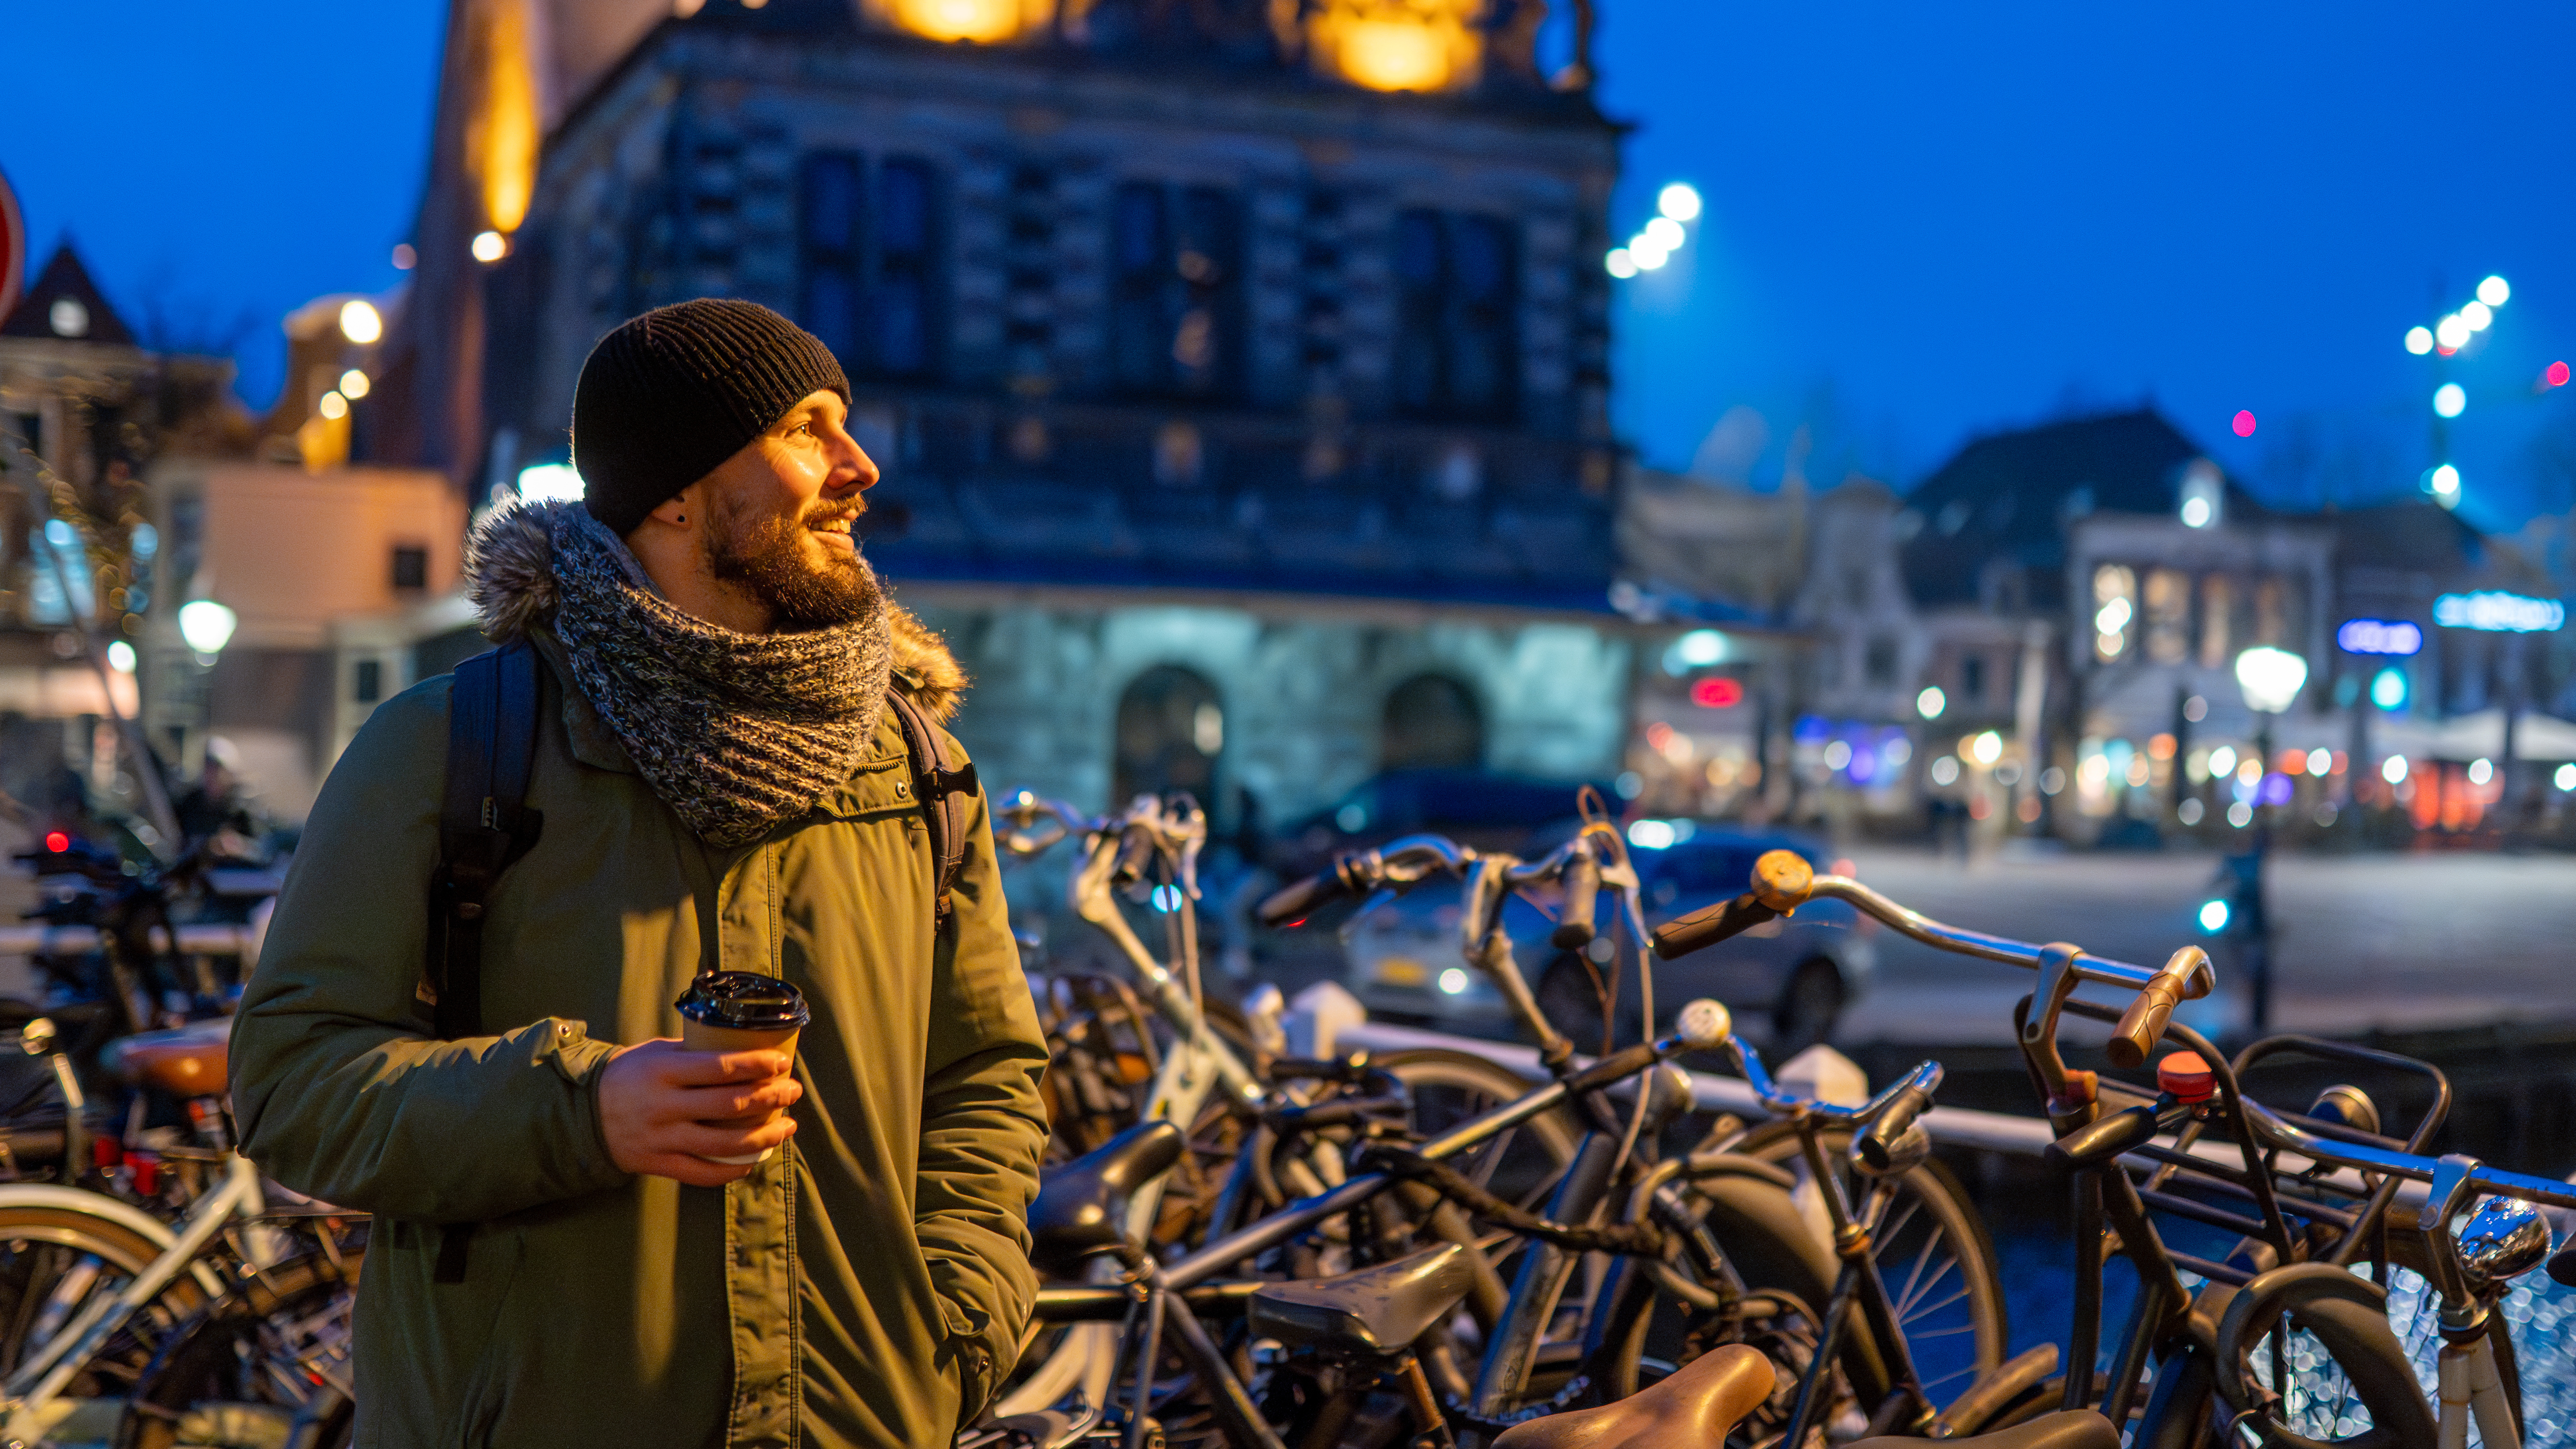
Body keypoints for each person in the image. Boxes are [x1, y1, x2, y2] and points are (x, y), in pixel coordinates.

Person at [229, 299, 1050, 1449]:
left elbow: (985, 1073)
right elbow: (292, 1082)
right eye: (805, 428)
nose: (859, 466)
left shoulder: (916, 765)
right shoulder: (454, 744)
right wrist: (581, 1107)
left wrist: (956, 1330)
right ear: (673, 491)